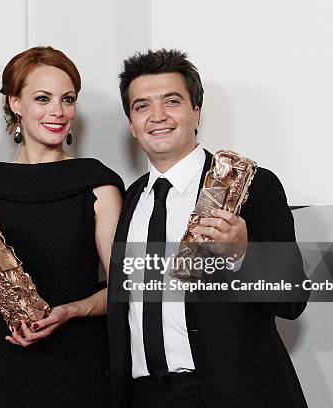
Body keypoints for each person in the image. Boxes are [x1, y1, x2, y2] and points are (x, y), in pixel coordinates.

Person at [106, 49, 310, 408]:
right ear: (131, 124)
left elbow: (294, 297)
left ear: (196, 111)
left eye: (172, 101)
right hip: (145, 396)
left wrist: (243, 254)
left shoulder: (252, 187)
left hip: (232, 393)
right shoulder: (130, 198)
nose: (157, 116)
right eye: (142, 106)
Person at [0, 46, 123, 408]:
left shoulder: (98, 184)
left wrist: (69, 311)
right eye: (43, 98)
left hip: (82, 365)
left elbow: (126, 290)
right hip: (7, 370)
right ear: (15, 104)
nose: (58, 111)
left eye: (67, 99)